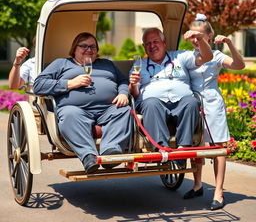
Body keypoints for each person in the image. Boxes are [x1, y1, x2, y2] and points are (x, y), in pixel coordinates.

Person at [33, 32, 132, 174]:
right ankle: (88, 156)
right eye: (84, 46)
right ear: (74, 48)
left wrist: (123, 93)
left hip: (107, 109)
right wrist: (70, 83)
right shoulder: (61, 63)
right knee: (69, 114)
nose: (89, 49)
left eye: (93, 46)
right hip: (75, 109)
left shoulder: (107, 64)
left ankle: (111, 153)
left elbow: (123, 81)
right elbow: (39, 85)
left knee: (124, 110)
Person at [183, 13, 245, 210]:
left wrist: (229, 43)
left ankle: (218, 192)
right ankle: (198, 184)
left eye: (200, 36)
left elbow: (239, 65)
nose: (196, 40)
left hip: (212, 102)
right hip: (193, 103)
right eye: (193, 36)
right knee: (196, 145)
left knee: (218, 147)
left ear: (209, 36)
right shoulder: (187, 57)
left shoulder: (216, 56)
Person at [129, 27, 213, 165]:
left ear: (164, 42)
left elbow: (207, 57)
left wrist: (200, 39)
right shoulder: (139, 65)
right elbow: (134, 94)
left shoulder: (180, 56)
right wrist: (133, 85)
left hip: (181, 103)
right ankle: (162, 149)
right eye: (148, 43)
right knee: (151, 103)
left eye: (155, 41)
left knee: (191, 102)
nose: (152, 46)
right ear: (144, 47)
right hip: (153, 106)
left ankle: (183, 149)